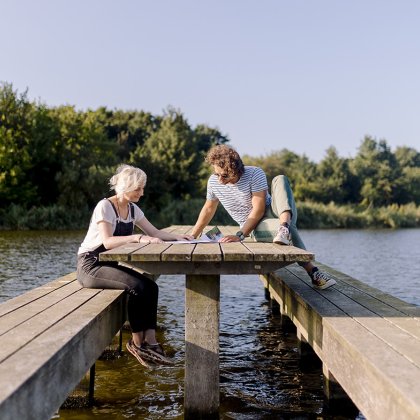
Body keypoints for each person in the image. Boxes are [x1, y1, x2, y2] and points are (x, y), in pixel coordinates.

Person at [77, 164, 194, 367]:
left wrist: (178, 237)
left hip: (108, 264)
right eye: (138, 188)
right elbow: (107, 242)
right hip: (91, 265)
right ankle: (137, 342)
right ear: (126, 187)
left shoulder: (132, 208)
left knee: (151, 286)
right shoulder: (105, 206)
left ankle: (151, 340)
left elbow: (155, 232)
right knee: (137, 288)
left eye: (142, 188)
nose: (142, 192)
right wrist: (139, 238)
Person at [191, 145, 336, 290]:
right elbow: (208, 208)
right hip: (256, 225)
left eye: (225, 176)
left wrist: (239, 235)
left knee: (280, 179)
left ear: (237, 170)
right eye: (217, 174)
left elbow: (259, 209)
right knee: (289, 227)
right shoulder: (213, 182)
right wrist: (193, 235)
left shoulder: (254, 173)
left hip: (274, 210)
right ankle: (313, 271)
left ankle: (283, 227)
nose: (220, 180)